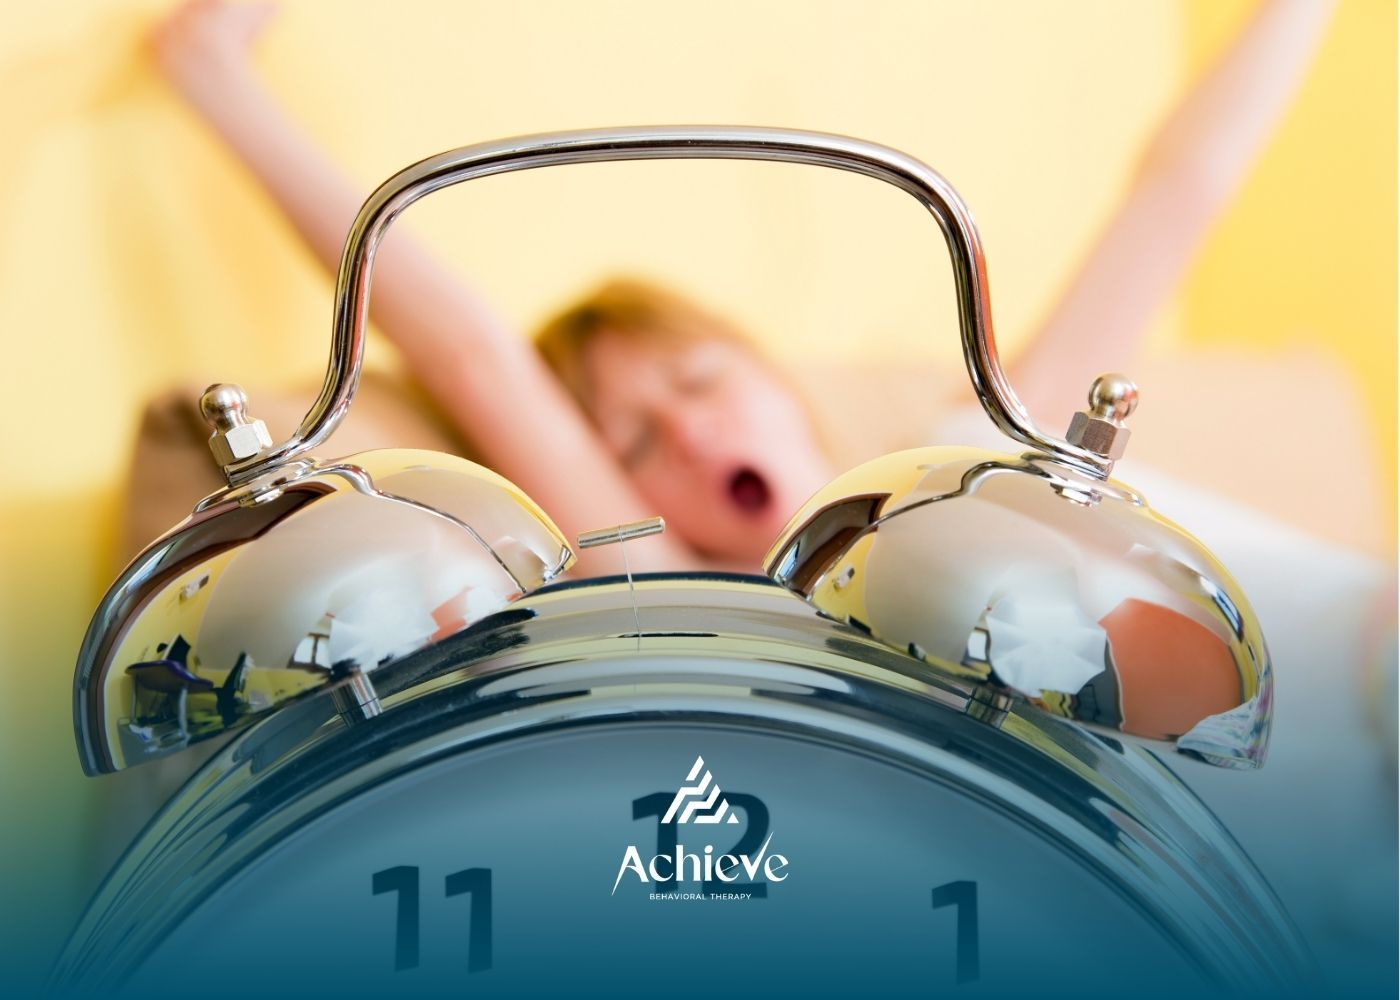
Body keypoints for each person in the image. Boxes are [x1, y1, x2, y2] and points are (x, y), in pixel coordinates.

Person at [146, 0, 1337, 578]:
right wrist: (209, 72)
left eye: (703, 381)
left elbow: (1176, 193)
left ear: (776, 384)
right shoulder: (669, 597)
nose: (689, 430)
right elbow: (470, 356)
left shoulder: (968, 454)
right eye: (634, 438)